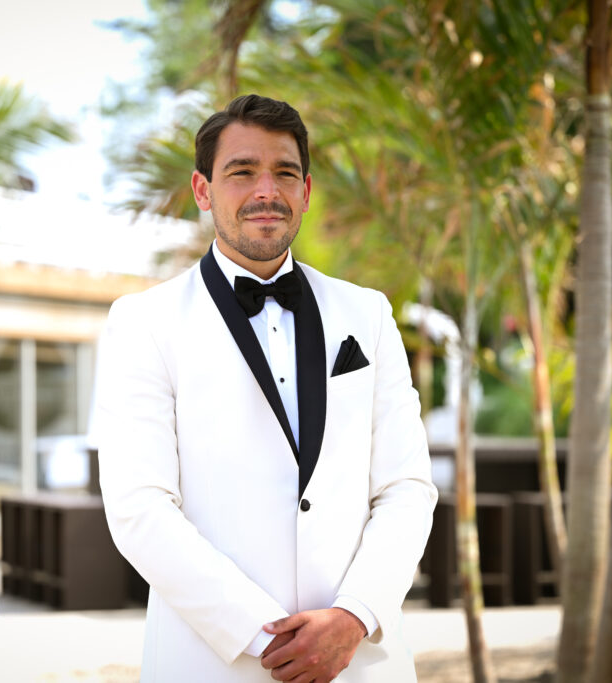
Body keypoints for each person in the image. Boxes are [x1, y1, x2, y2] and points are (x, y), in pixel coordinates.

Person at [94, 94, 438, 682]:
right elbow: (139, 508)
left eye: (284, 172)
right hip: (215, 662)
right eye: (242, 171)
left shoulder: (369, 314)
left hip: (357, 662)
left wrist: (353, 617)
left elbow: (407, 487)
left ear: (305, 190)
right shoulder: (143, 321)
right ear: (203, 191)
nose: (266, 190)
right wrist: (264, 636)